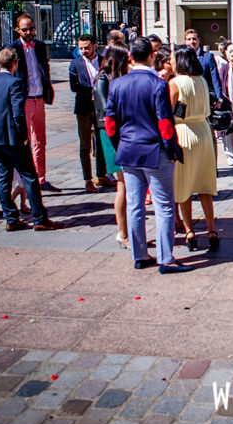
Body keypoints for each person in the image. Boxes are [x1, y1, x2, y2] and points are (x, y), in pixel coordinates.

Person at [105, 37, 192, 274]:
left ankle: (140, 254)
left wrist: (119, 144)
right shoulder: (157, 84)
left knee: (135, 205)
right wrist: (172, 148)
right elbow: (165, 122)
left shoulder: (117, 85)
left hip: (129, 150)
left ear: (131, 57)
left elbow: (110, 123)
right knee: (164, 205)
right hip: (155, 150)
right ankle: (166, 258)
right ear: (152, 56)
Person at [0, 48, 61, 231]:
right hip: (13, 138)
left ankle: (11, 217)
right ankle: (39, 218)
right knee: (29, 176)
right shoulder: (14, 83)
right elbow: (17, 113)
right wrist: (23, 136)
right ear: (15, 63)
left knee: (3, 178)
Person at [169, 45, 218, 253]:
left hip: (184, 131)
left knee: (184, 186)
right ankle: (211, 229)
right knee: (205, 185)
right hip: (204, 131)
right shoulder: (202, 81)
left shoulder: (175, 83)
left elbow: (169, 112)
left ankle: (190, 232)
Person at [11, 15, 58, 191]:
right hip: (24, 100)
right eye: (25, 29)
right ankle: (26, 180)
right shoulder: (13, 49)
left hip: (39, 98)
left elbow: (44, 68)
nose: (29, 32)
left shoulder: (39, 46)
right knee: (25, 141)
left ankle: (41, 178)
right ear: (18, 30)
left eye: (31, 28)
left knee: (40, 141)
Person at [95, 43, 129, 248]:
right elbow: (107, 111)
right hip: (110, 133)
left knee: (124, 184)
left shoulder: (114, 79)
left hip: (118, 131)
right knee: (122, 184)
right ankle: (122, 232)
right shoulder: (102, 79)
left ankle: (125, 231)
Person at [69, 34, 110, 193]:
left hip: (100, 107)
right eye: (81, 48)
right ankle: (87, 179)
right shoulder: (75, 63)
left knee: (101, 142)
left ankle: (102, 174)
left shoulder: (103, 61)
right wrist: (92, 89)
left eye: (86, 47)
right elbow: (74, 86)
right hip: (84, 107)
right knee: (85, 144)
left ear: (94, 45)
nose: (84, 51)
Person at [184, 29, 223, 100]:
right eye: (189, 39)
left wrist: (219, 97)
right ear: (185, 42)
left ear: (199, 40)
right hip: (189, 97)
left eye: (194, 39)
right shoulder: (183, 58)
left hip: (204, 96)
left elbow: (215, 78)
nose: (192, 42)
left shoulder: (208, 57)